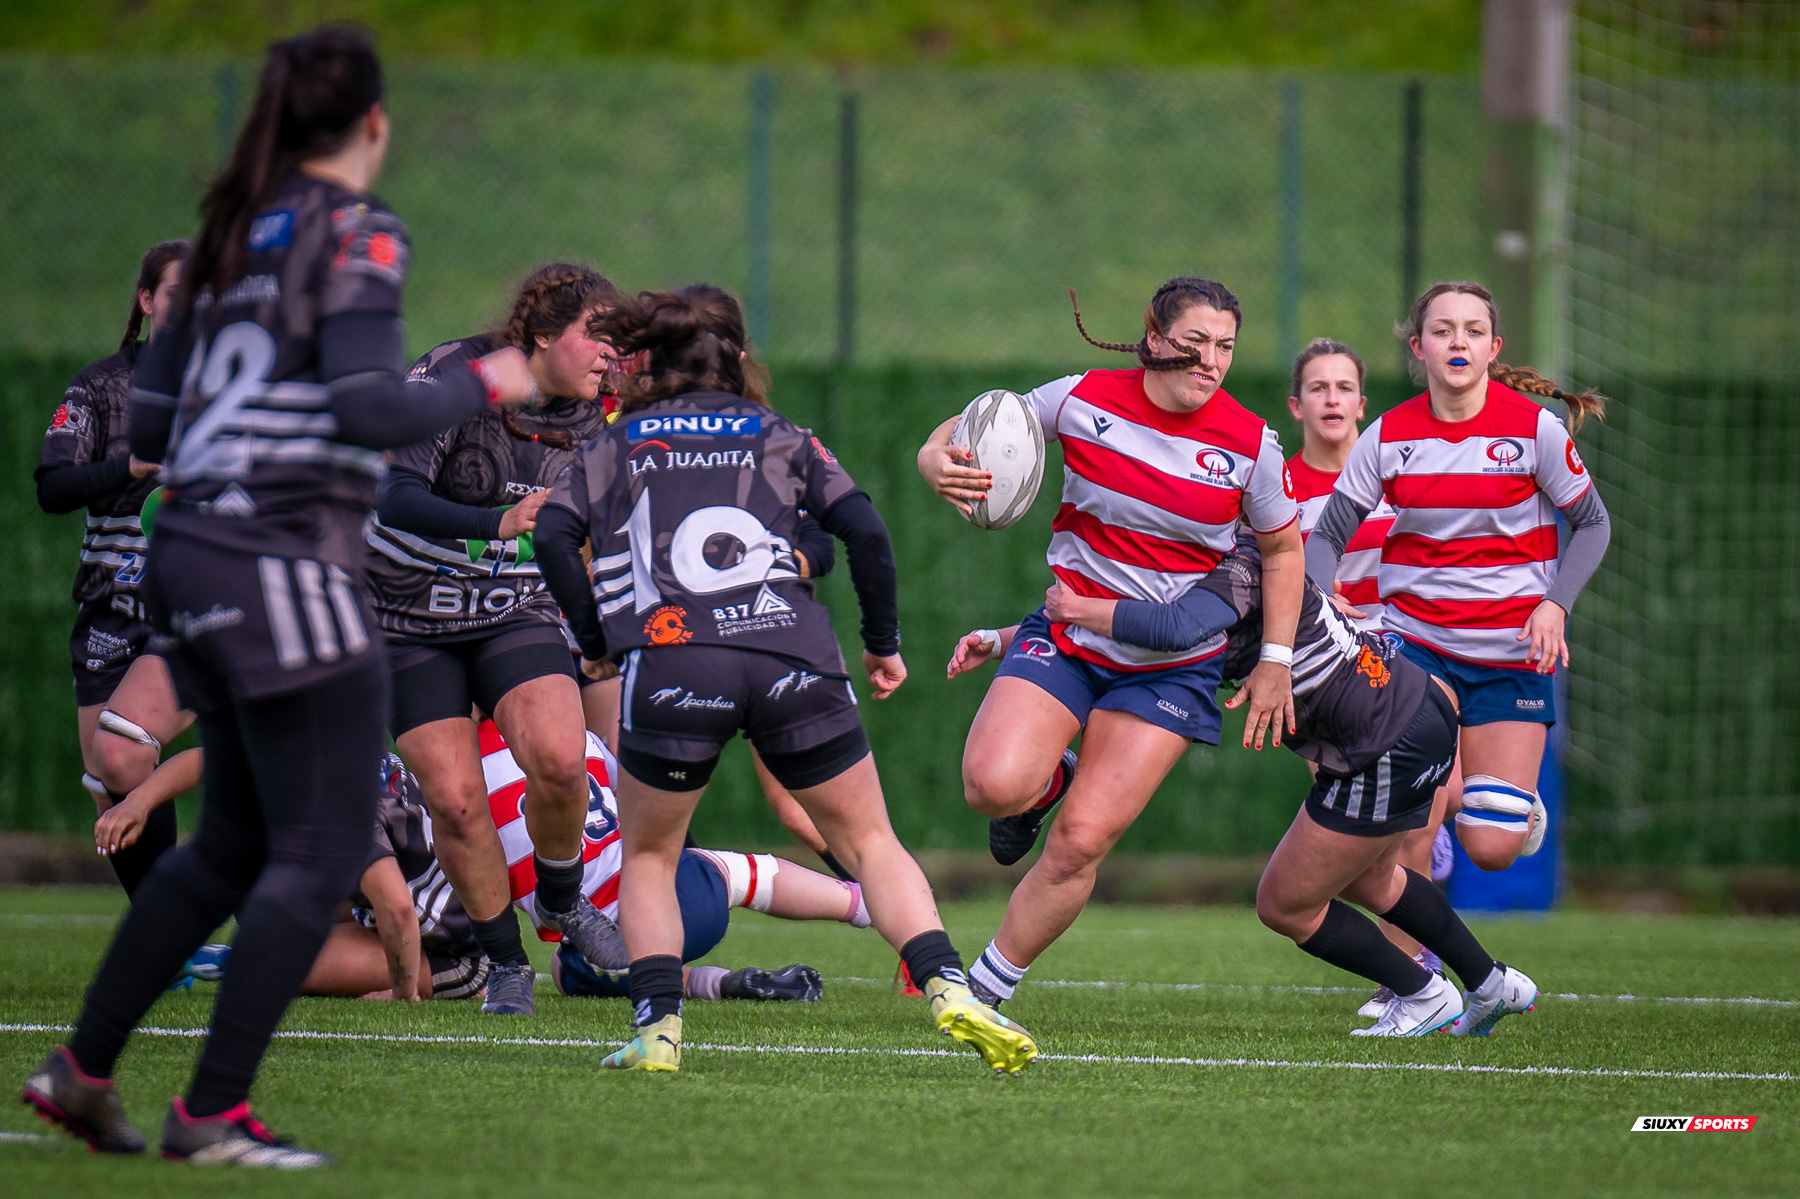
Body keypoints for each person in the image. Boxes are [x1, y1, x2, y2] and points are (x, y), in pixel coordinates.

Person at [22, 26, 536, 1168]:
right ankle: (209, 1112)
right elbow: (364, 402)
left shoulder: (211, 242)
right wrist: (492, 375)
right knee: (322, 837)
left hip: (186, 552)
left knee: (232, 841)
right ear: (374, 124)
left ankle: (81, 1067)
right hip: (285, 558)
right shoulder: (354, 228)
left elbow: (151, 429)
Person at [536, 283, 1036, 1075]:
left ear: (650, 361)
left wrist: (596, 643)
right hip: (791, 657)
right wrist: (882, 644)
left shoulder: (616, 442)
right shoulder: (782, 436)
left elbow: (554, 533)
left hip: (674, 660)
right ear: (738, 357)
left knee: (652, 856)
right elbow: (863, 529)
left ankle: (659, 1030)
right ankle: (948, 986)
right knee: (871, 841)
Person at [916, 279, 1303, 1026]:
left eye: (1226, 346)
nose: (1212, 361)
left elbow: (1284, 551)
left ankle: (988, 988)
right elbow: (978, 426)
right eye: (1196, 343)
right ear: (1153, 334)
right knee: (991, 787)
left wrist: (1275, 659)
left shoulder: (1251, 443)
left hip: (1170, 667)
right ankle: (1048, 776)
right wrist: (937, 459)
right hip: (1068, 636)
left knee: (1081, 842)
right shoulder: (1083, 397)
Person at [1008, 534, 1536, 1037]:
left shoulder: (1234, 566)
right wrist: (1006, 640)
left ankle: (1422, 993)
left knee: (1285, 904)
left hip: (1382, 737)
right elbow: (1112, 631)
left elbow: (1172, 627)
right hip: (1408, 706)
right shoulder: (1234, 552)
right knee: (1370, 880)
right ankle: (1492, 982)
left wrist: (1078, 609)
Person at [365, 262, 626, 1016]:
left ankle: (562, 898)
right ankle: (505, 964)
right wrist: (499, 522)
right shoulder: (455, 378)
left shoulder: (599, 416)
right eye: (596, 336)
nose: (612, 354)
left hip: (514, 609)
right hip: (408, 619)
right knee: (452, 799)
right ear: (543, 335)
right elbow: (394, 496)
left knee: (558, 755)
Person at [1304, 282, 1611, 873]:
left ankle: (1505, 803)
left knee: (1489, 848)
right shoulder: (1388, 436)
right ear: (1418, 347)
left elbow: (1593, 525)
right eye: (1442, 330)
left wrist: (1556, 605)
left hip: (1510, 654)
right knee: (1414, 816)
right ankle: (1412, 967)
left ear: (1494, 347)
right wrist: (1326, 598)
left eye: (1472, 330)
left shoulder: (1535, 429)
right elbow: (1324, 537)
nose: (1458, 341)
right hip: (1418, 646)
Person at [1284, 337, 1452, 1009]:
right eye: (1317, 387)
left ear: (1362, 402)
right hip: (1328, 678)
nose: (1331, 398)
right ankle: (1413, 957)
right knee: (1364, 845)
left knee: (1421, 823)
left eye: (1343, 387)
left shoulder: (1393, 476)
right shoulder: (1280, 490)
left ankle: (1407, 980)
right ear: (1298, 405)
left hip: (1411, 651)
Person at [35, 239, 196, 896]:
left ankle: (173, 929)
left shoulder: (233, 391)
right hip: (110, 610)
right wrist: (125, 468)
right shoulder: (101, 388)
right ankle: (165, 934)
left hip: (195, 614)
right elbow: (51, 488)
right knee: (111, 780)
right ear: (148, 300)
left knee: (126, 749)